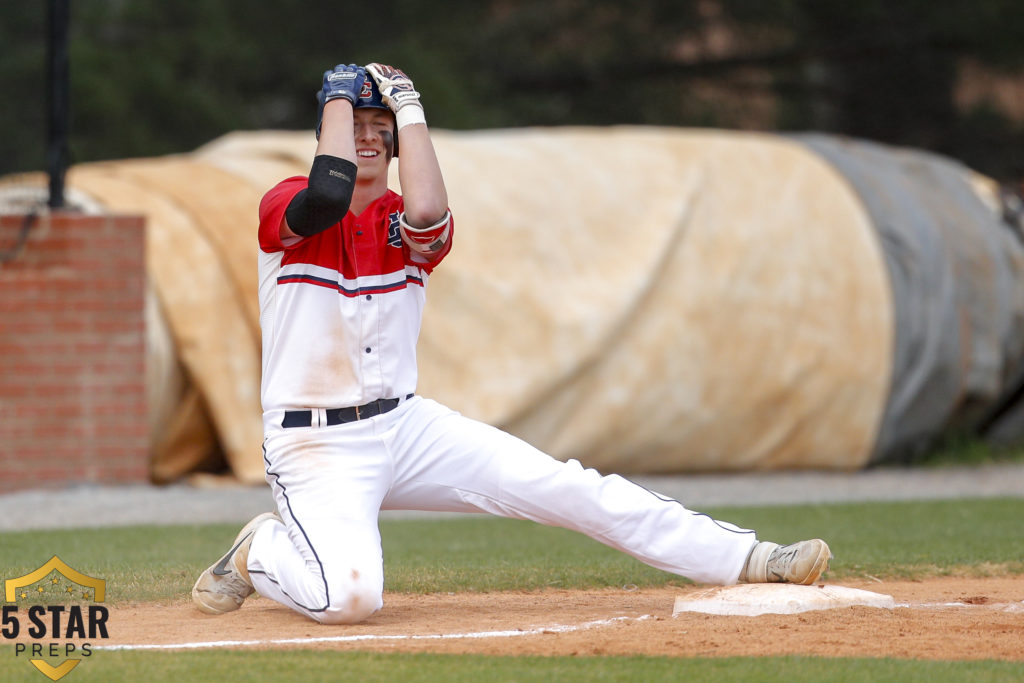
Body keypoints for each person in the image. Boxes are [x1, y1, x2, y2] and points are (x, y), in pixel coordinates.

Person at [191, 62, 832, 624]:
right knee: (350, 600)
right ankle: (264, 552)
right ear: (327, 135)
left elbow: (427, 216)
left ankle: (746, 556)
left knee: (564, 485)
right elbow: (326, 195)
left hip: (405, 424)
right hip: (315, 443)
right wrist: (338, 94)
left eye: (377, 128)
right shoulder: (287, 203)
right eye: (353, 124)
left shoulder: (402, 218)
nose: (366, 135)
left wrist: (409, 109)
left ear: (392, 148)